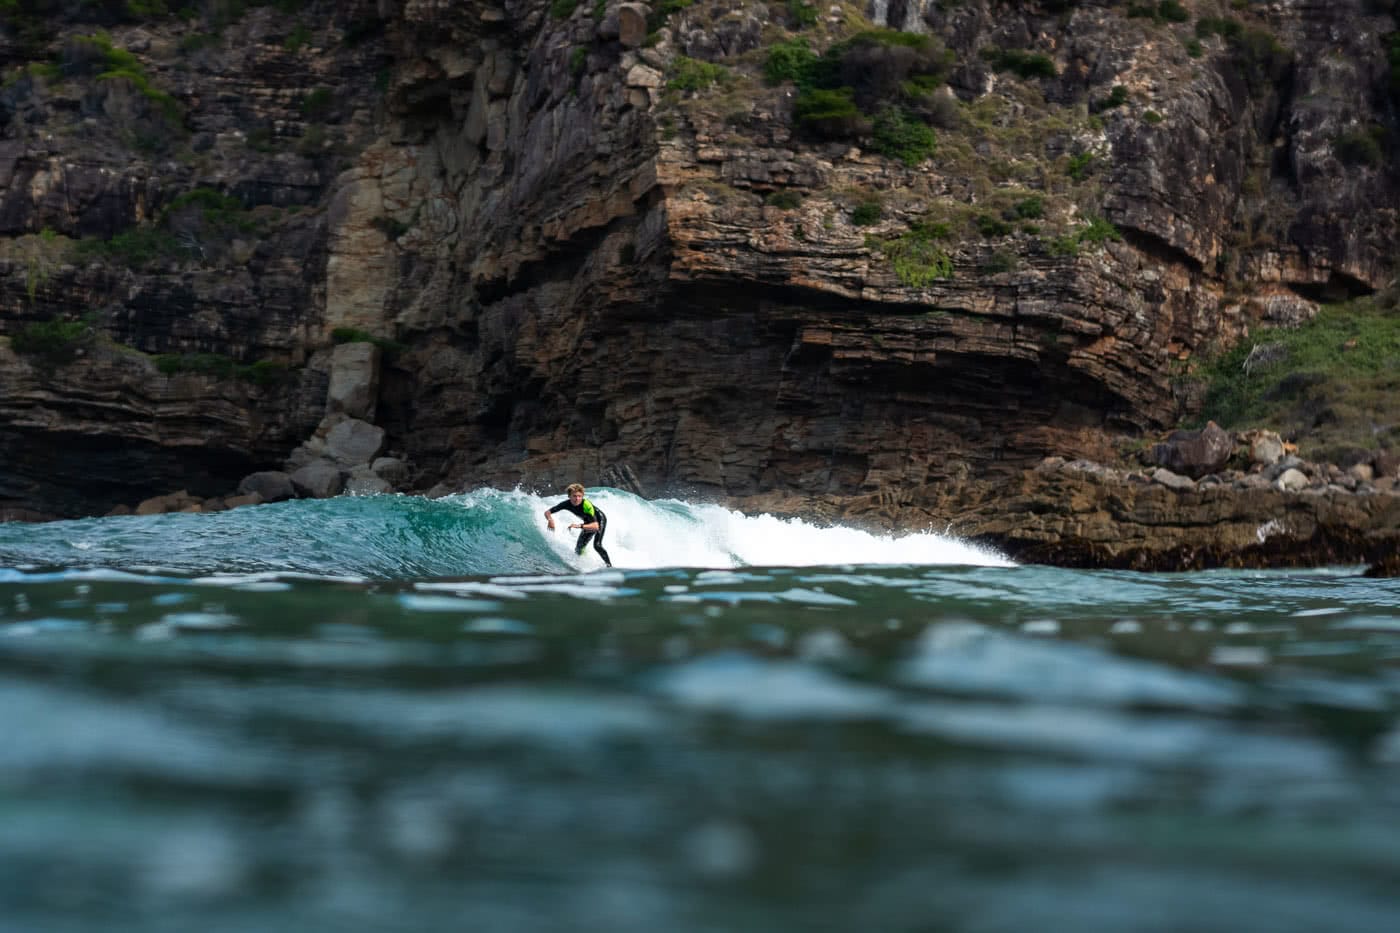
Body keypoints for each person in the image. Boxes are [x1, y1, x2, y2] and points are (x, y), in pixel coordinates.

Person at [544, 483, 612, 567]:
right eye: (574, 496)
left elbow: (595, 526)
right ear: (569, 496)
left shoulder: (586, 505)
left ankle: (609, 566)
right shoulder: (566, 504)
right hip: (587, 522)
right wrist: (550, 520)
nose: (577, 499)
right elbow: (547, 512)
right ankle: (582, 565)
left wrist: (579, 526)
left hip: (599, 520)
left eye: (579, 496)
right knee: (578, 548)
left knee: (597, 545)